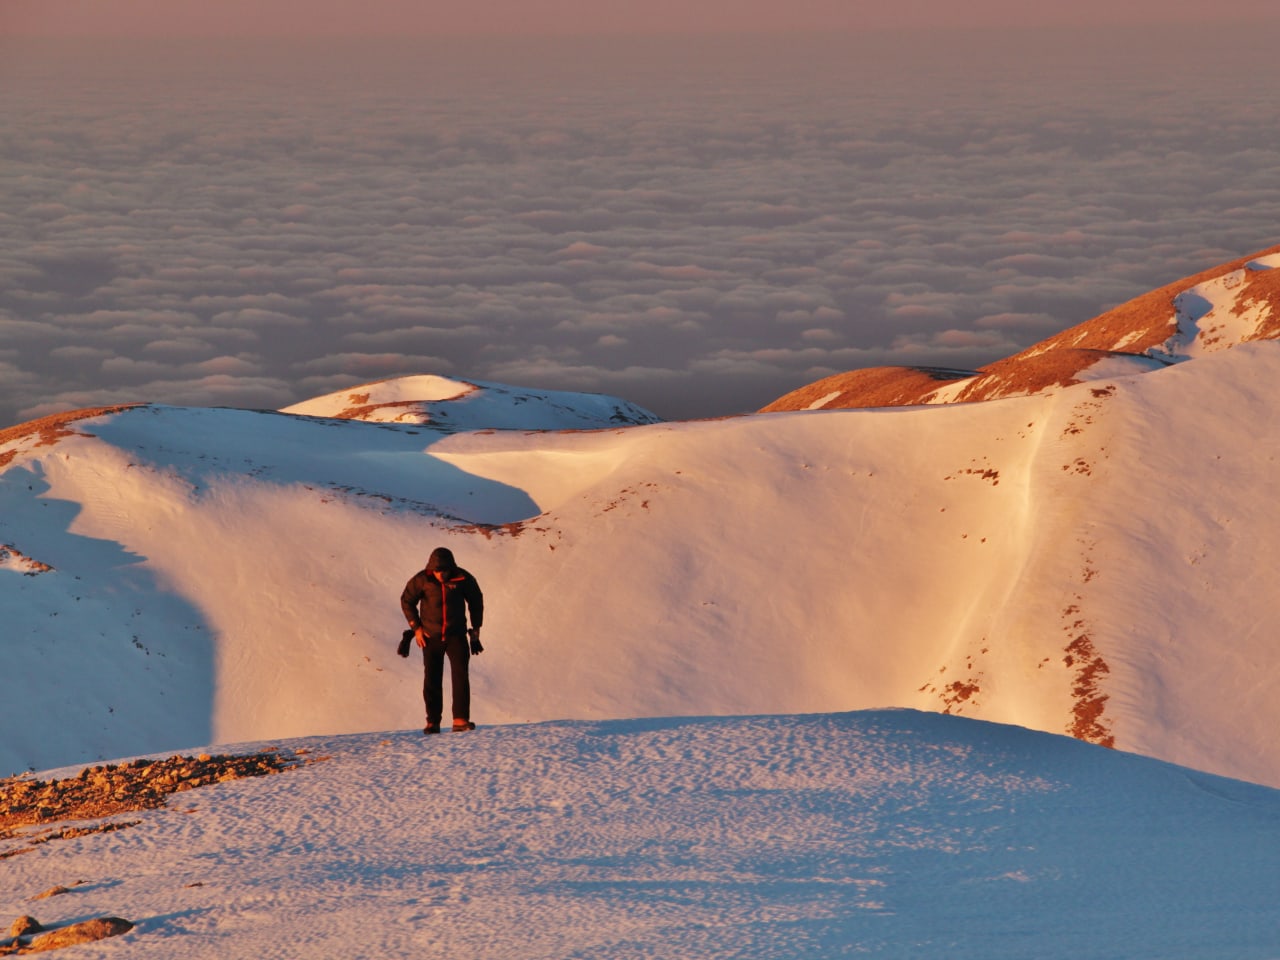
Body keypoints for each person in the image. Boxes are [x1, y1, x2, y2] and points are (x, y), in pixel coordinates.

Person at [400, 547, 484, 734]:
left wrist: (476, 628)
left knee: (460, 676)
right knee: (432, 678)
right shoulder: (423, 579)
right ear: (431, 569)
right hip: (431, 637)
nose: (440, 574)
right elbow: (407, 600)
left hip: (457, 635)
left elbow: (476, 600)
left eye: (443, 570)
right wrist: (417, 628)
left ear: (451, 568)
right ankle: (433, 722)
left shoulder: (463, 578)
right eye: (437, 571)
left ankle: (460, 720)